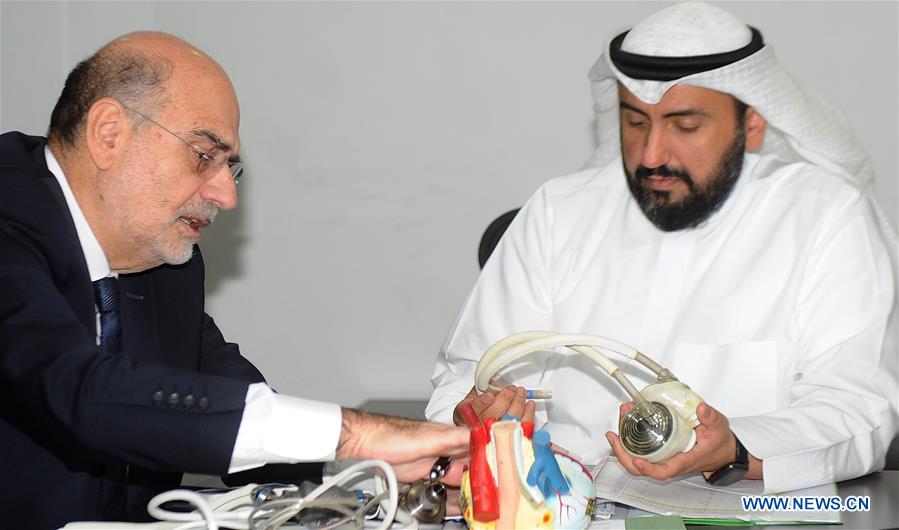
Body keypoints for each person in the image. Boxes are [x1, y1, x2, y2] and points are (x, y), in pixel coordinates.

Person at [0, 32, 468, 530]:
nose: (226, 195)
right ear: (109, 133)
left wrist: (381, 475)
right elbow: (79, 389)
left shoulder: (165, 261)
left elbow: (225, 404)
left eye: (230, 167)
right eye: (203, 155)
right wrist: (354, 436)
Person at [427, 2, 897, 494]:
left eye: (685, 126)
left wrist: (736, 448)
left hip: (748, 511)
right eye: (635, 122)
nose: (652, 154)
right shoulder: (557, 213)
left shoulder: (825, 218)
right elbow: (470, 373)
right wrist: (476, 413)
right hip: (562, 509)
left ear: (752, 123)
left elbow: (859, 410)